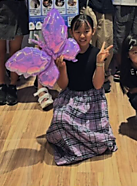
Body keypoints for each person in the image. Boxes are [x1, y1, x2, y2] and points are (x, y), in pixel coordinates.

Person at [46, 14, 117, 165]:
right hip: (70, 97)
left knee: (102, 140)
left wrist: (100, 63)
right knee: (60, 119)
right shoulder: (65, 54)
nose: (82, 36)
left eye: (86, 31)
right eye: (78, 32)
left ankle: (79, 145)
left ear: (93, 31)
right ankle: (82, 144)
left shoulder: (97, 53)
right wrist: (61, 67)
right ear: (71, 32)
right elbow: (63, 85)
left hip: (92, 100)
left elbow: (98, 85)